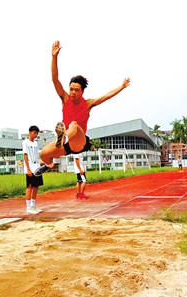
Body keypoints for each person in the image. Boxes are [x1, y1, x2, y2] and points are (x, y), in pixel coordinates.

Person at [34, 40, 130, 176]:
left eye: (76, 90)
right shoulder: (65, 98)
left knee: (73, 125)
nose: (72, 92)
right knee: (44, 154)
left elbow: (107, 96)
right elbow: (55, 79)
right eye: (71, 89)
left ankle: (63, 137)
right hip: (66, 145)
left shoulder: (88, 103)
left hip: (79, 141)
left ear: (82, 92)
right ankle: (48, 165)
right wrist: (54, 57)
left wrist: (122, 86)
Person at [22, 125, 43, 214]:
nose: (35, 135)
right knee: (29, 187)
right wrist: (28, 169)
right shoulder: (25, 142)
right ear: (30, 132)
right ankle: (28, 207)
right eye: (34, 133)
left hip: (37, 167)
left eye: (37, 133)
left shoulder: (36, 143)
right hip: (30, 167)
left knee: (36, 186)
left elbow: (37, 155)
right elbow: (25, 155)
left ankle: (33, 205)